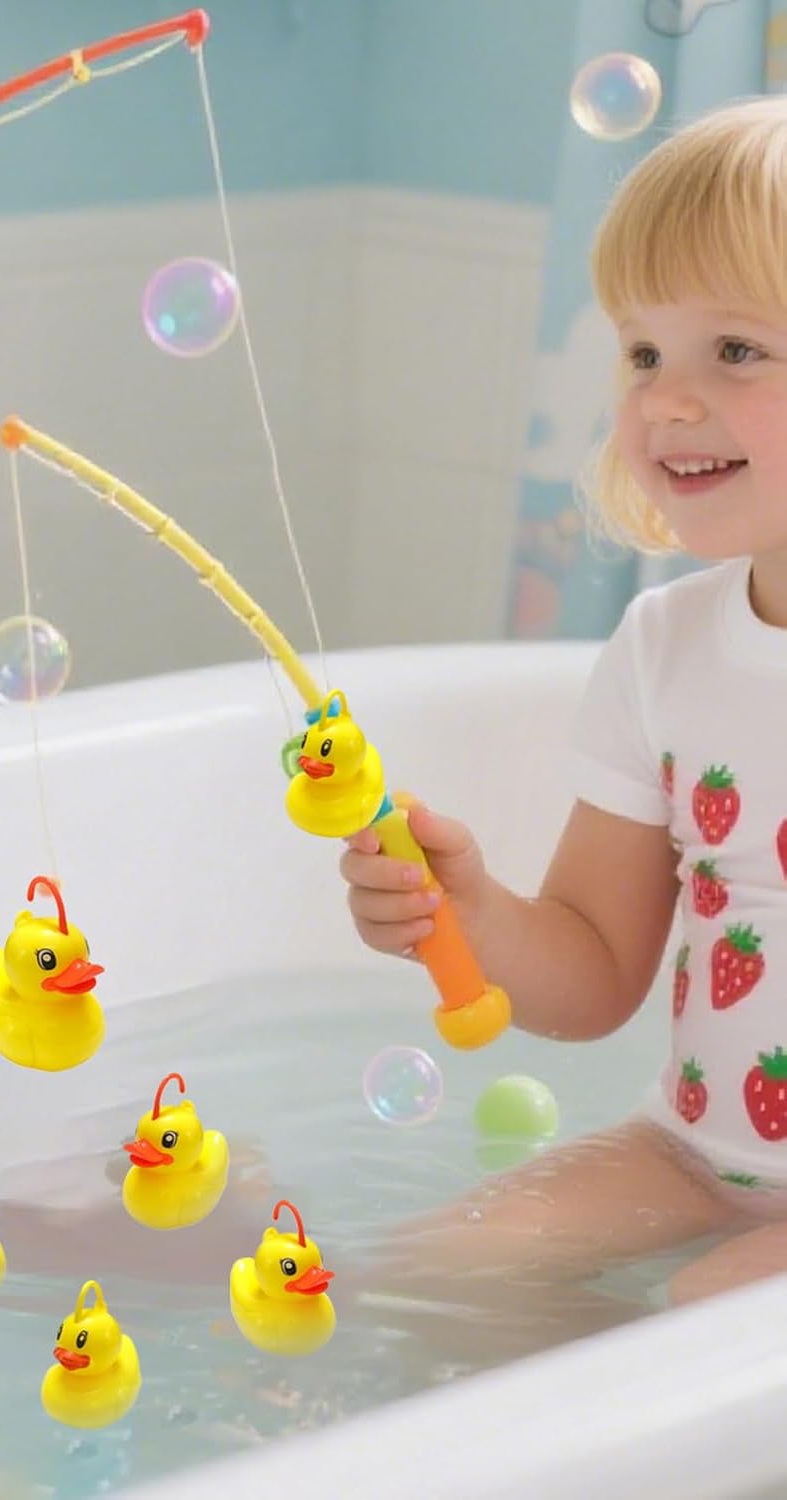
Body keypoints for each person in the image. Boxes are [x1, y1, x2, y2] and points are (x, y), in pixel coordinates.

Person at [341, 95, 787, 1313]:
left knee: (697, 1324)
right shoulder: (665, 648)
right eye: (644, 353)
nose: (667, 401)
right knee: (433, 1275)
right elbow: (594, 974)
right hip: (696, 1153)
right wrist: (470, 914)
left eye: (734, 350)